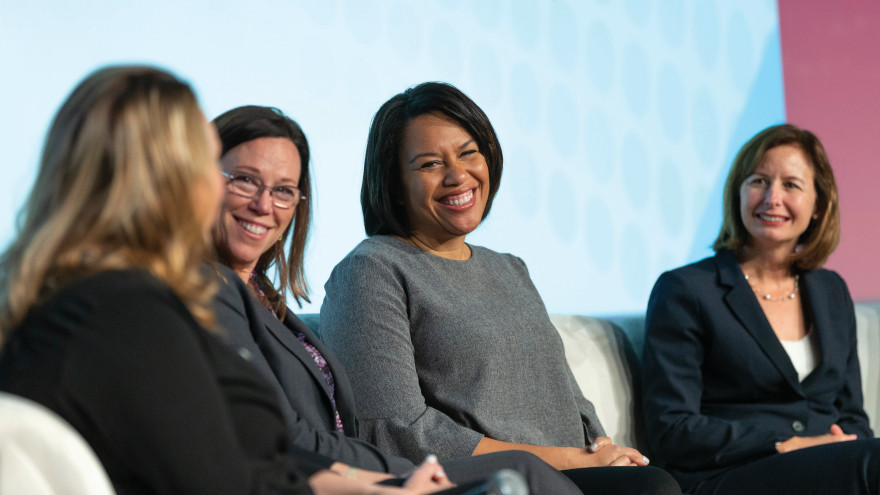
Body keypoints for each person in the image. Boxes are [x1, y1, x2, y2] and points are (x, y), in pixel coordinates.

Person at [0, 66, 457, 495]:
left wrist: (356, 485)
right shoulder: (127, 311)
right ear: (166, 180)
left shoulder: (76, 298)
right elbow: (225, 483)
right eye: (210, 164)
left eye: (283, 190)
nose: (226, 191)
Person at [319, 82, 681, 495]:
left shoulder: (509, 268)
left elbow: (567, 398)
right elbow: (395, 433)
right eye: (429, 164)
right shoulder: (370, 271)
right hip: (483, 483)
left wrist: (602, 449)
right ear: (395, 185)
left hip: (568, 475)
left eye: (469, 153)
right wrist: (572, 460)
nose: (458, 176)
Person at [210, 104, 586, 494]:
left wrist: (600, 447)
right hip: (336, 482)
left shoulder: (265, 300)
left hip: (359, 477)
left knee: (643, 481)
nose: (264, 204)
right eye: (243, 180)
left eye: (284, 190)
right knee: (528, 472)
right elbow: (302, 437)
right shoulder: (206, 292)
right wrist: (387, 477)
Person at [641, 123, 880, 494]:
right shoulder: (686, 290)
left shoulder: (831, 290)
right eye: (758, 181)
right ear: (737, 191)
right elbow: (672, 428)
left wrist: (839, 443)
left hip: (832, 468)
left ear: (818, 204)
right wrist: (784, 443)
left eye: (791, 185)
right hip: (730, 475)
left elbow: (853, 418)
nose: (772, 198)